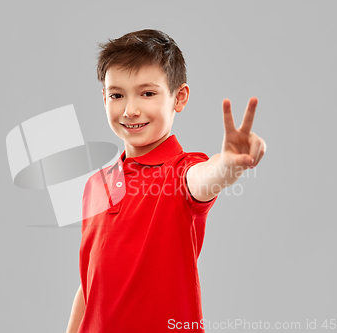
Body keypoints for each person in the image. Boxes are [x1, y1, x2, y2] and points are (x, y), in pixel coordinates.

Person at [66, 29, 267, 333]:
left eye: (147, 93)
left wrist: (227, 165)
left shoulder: (181, 172)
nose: (130, 110)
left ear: (179, 97)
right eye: (117, 95)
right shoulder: (95, 186)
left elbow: (204, 178)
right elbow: (90, 284)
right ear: (104, 98)